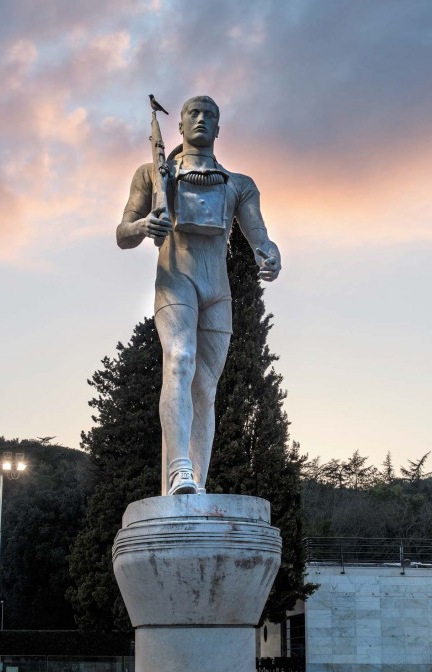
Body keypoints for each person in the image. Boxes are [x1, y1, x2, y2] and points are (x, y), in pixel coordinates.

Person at [117, 96, 281, 495]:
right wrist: (144, 226)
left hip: (217, 292)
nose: (202, 119)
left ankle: (196, 484)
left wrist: (270, 252)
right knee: (179, 359)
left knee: (205, 388)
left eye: (210, 115)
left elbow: (258, 234)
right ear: (181, 126)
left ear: (219, 129)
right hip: (176, 281)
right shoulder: (153, 174)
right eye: (194, 113)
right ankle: (178, 471)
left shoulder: (238, 185)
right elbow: (123, 233)